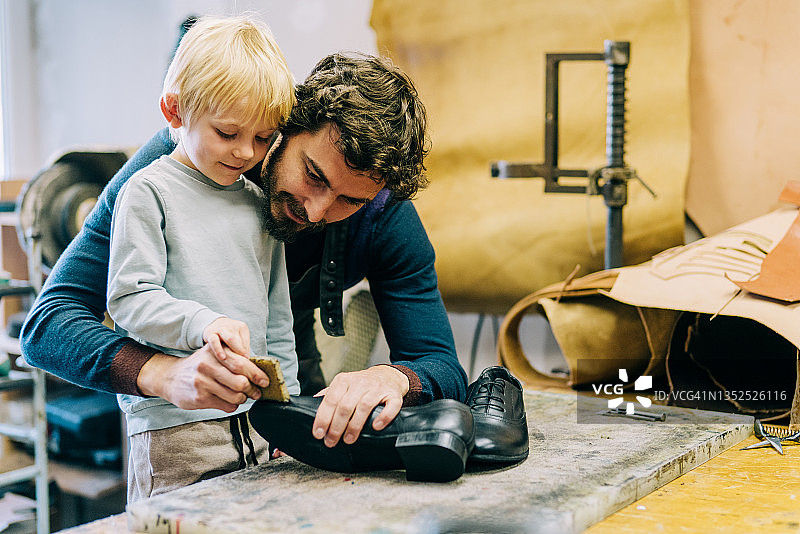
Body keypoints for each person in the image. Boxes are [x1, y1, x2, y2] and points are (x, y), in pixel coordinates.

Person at [21, 51, 468, 490]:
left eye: (349, 201)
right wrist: (163, 374)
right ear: (286, 127)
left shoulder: (385, 216)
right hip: (181, 418)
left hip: (287, 399)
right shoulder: (178, 168)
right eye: (313, 175)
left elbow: (442, 364)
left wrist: (392, 377)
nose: (316, 212)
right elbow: (48, 325)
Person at [109, 14, 299, 500]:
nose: (244, 153)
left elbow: (277, 320)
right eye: (228, 132)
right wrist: (202, 323)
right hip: (175, 431)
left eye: (262, 138)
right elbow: (129, 300)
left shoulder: (259, 204)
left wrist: (287, 411)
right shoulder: (147, 193)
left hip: (258, 426)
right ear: (174, 110)